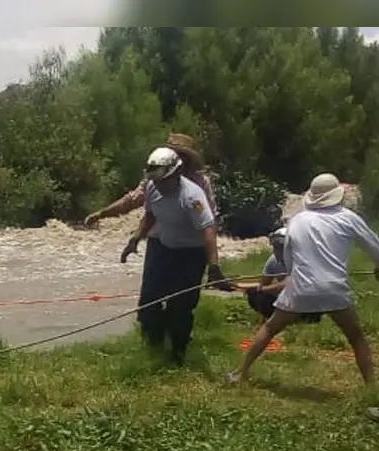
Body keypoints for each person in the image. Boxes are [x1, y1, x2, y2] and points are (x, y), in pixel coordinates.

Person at [226, 174, 379, 410]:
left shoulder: (297, 221)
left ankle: (240, 373)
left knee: (270, 328)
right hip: (333, 289)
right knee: (356, 337)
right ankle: (371, 388)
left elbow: (288, 261)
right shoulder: (348, 218)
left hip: (299, 288)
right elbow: (375, 247)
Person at [120, 146, 232, 365]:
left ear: (176, 174)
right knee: (148, 303)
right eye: (156, 181)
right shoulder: (152, 186)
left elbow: (208, 229)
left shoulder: (192, 197)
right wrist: (135, 239)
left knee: (180, 307)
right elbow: (150, 215)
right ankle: (154, 347)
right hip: (164, 249)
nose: (159, 186)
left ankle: (177, 355)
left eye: (163, 181)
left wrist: (214, 266)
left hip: (191, 255)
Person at [83, 133, 218, 230]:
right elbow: (132, 200)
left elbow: (207, 215)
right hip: (159, 241)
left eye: (180, 155)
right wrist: (102, 214)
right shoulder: (155, 179)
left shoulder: (199, 182)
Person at [243, 227, 321, 324]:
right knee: (255, 296)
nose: (277, 251)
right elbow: (263, 283)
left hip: (306, 300)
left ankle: (305, 319)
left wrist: (263, 289)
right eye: (275, 247)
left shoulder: (303, 260)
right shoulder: (273, 261)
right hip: (287, 301)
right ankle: (272, 318)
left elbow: (287, 284)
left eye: (281, 247)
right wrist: (254, 290)